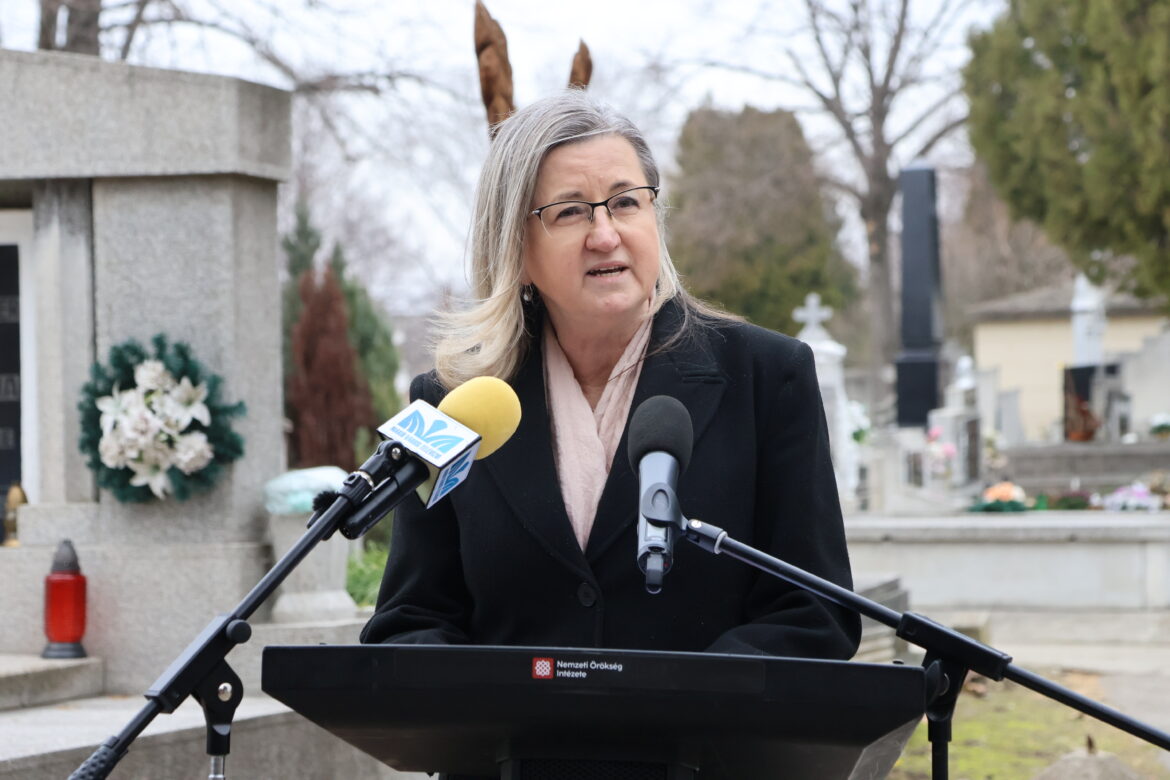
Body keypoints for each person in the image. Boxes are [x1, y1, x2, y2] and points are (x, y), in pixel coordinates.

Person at [360, 89, 860, 662]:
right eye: (570, 211)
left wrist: (683, 698)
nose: (605, 234)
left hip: (709, 722)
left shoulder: (767, 378)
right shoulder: (452, 404)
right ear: (516, 248)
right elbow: (410, 621)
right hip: (510, 724)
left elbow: (814, 613)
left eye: (625, 202)